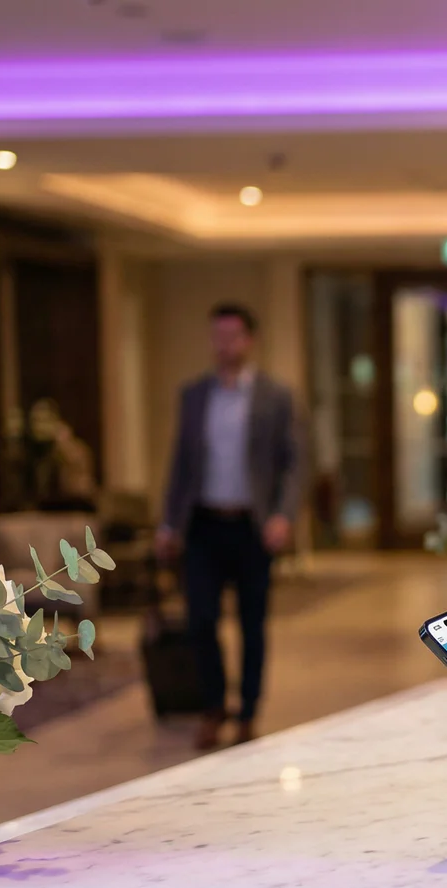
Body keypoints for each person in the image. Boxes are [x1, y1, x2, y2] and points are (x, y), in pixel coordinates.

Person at [158, 303, 304, 750]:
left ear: (249, 340)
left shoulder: (275, 397)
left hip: (251, 527)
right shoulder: (195, 394)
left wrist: (284, 514)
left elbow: (294, 462)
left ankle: (248, 711)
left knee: (252, 623)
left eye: (233, 337)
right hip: (203, 524)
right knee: (201, 620)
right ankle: (213, 706)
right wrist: (168, 522)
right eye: (217, 337)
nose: (224, 346)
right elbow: (180, 463)